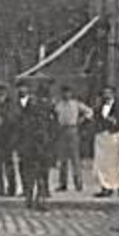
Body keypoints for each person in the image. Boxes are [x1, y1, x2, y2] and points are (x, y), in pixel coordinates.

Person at [16, 81, 57, 210]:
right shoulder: (29, 115)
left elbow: (54, 127)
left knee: (39, 172)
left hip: (41, 145)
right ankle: (32, 198)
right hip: (32, 145)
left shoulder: (47, 110)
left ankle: (38, 198)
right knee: (33, 172)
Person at [91, 86, 119, 197]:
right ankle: (106, 187)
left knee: (118, 162)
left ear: (113, 94)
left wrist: (115, 123)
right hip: (103, 137)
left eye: (109, 93)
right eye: (105, 93)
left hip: (115, 135)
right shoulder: (99, 108)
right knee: (103, 163)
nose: (107, 96)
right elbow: (95, 120)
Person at [53, 85, 91, 192]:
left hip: (73, 130)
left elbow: (89, 112)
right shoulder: (58, 105)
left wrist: (82, 119)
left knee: (75, 158)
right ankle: (62, 183)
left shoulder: (76, 104)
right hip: (61, 130)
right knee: (62, 158)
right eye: (64, 93)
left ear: (71, 93)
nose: (66, 95)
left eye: (68, 92)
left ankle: (78, 183)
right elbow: (54, 114)